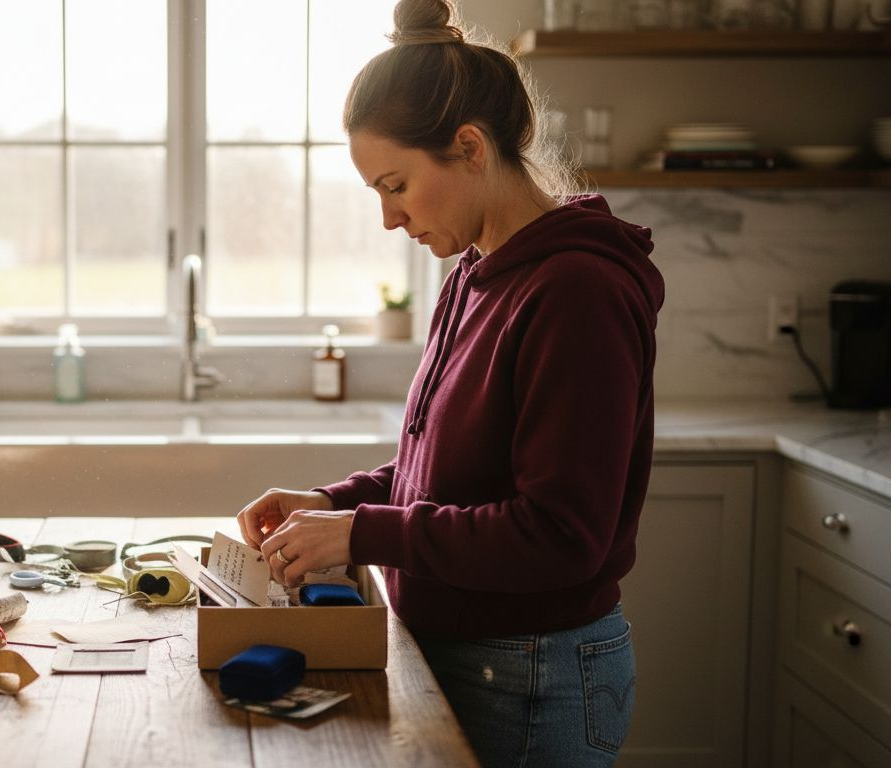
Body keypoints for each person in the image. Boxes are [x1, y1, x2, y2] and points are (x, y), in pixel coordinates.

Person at [235, 1, 664, 765]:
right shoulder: (475, 272)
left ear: (469, 147)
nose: (389, 219)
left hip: (531, 673)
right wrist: (335, 501)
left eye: (395, 184)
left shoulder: (577, 291)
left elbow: (560, 536)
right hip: (476, 657)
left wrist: (361, 532)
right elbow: (449, 472)